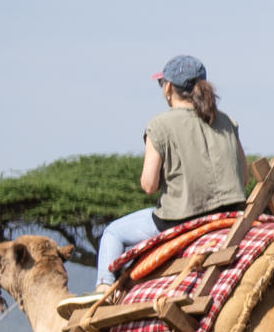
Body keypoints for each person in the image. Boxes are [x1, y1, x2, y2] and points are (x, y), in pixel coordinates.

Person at [96, 55, 254, 282]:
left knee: (113, 232)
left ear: (168, 87)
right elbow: (245, 177)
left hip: (180, 220)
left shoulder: (159, 125)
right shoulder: (227, 122)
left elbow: (149, 186)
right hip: (230, 215)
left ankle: (103, 289)